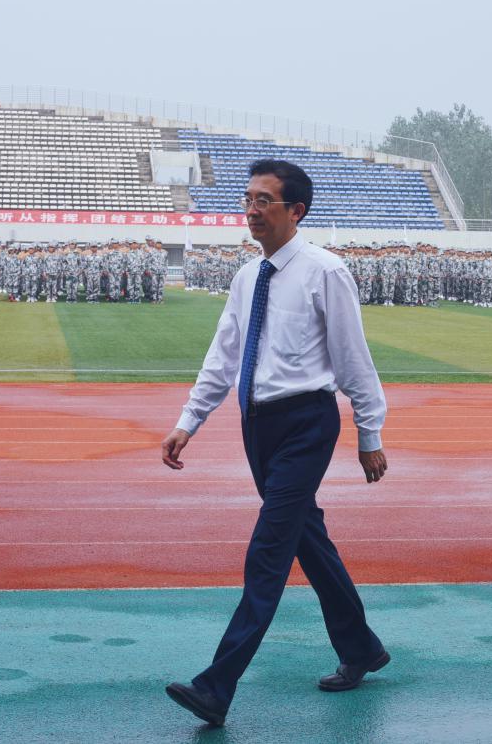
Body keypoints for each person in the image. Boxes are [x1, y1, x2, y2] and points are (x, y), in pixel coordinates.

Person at [160, 159, 391, 727]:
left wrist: (369, 433)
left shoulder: (325, 272)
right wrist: (189, 421)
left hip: (307, 423)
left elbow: (353, 358)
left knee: (268, 552)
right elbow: (223, 355)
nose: (252, 210)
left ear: (297, 211)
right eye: (248, 199)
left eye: (264, 200)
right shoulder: (247, 277)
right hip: (257, 425)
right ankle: (361, 647)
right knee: (306, 538)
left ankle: (216, 687)